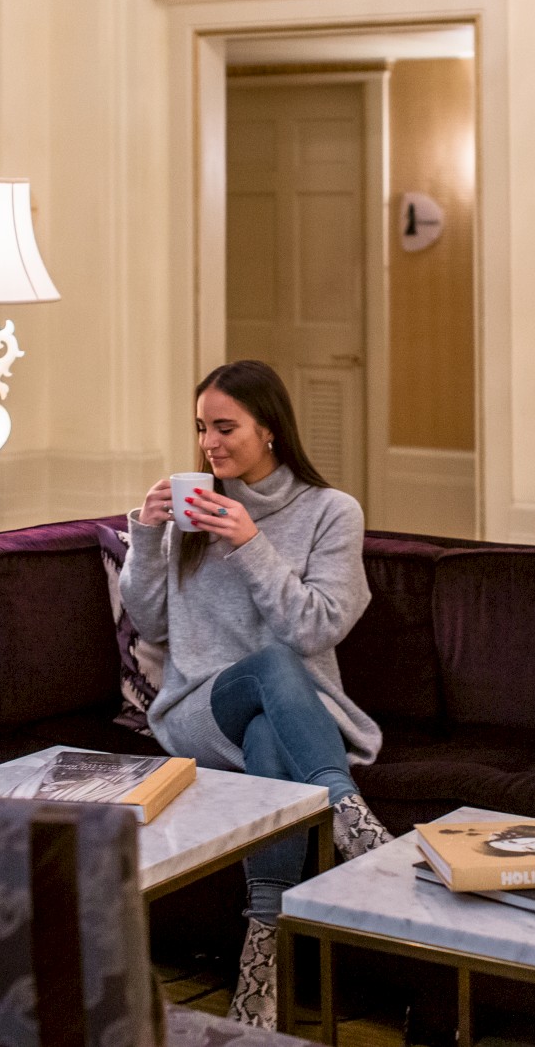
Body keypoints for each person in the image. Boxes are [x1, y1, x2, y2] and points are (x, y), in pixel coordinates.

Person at [118, 359, 391, 1029]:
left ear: (269, 429)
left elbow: (317, 625)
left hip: (290, 708)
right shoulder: (191, 510)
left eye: (225, 427)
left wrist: (250, 543)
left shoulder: (332, 512)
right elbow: (149, 622)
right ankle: (350, 813)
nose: (209, 443)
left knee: (272, 719)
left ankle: (261, 951)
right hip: (197, 709)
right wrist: (149, 536)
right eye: (201, 428)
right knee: (269, 670)